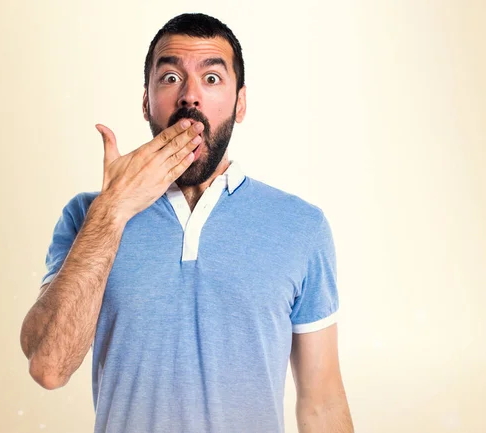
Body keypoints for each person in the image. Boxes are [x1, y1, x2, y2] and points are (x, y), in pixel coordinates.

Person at [20, 12, 354, 433]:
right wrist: (113, 210)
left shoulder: (301, 227)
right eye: (171, 78)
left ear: (241, 102)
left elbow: (321, 402)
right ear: (146, 100)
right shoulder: (89, 216)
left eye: (212, 79)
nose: (190, 97)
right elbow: (49, 367)